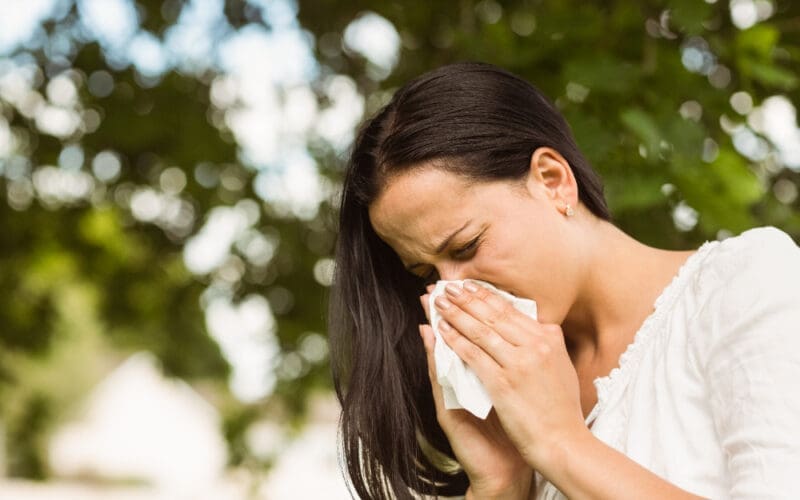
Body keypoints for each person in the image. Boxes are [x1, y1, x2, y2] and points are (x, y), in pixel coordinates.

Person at [327, 61, 800, 500]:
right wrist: (500, 484)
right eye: (427, 274)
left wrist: (561, 443)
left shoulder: (748, 281)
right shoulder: (509, 399)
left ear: (553, 180)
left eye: (466, 247)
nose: (454, 293)